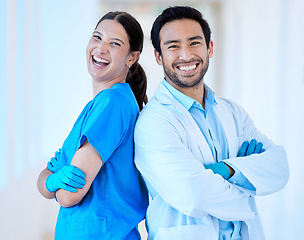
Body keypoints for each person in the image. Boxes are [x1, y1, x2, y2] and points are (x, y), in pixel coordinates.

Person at [134, 6, 289, 240]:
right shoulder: (153, 122)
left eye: (194, 43)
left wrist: (225, 169)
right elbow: (193, 194)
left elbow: (279, 167)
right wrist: (247, 179)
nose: (186, 55)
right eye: (173, 46)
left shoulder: (233, 112)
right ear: (158, 56)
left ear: (210, 48)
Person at [37, 11, 149, 240]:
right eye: (97, 37)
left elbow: (69, 196)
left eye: (114, 43)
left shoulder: (112, 104)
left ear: (132, 57)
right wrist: (51, 181)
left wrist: (54, 184)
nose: (101, 49)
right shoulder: (99, 105)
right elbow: (44, 178)